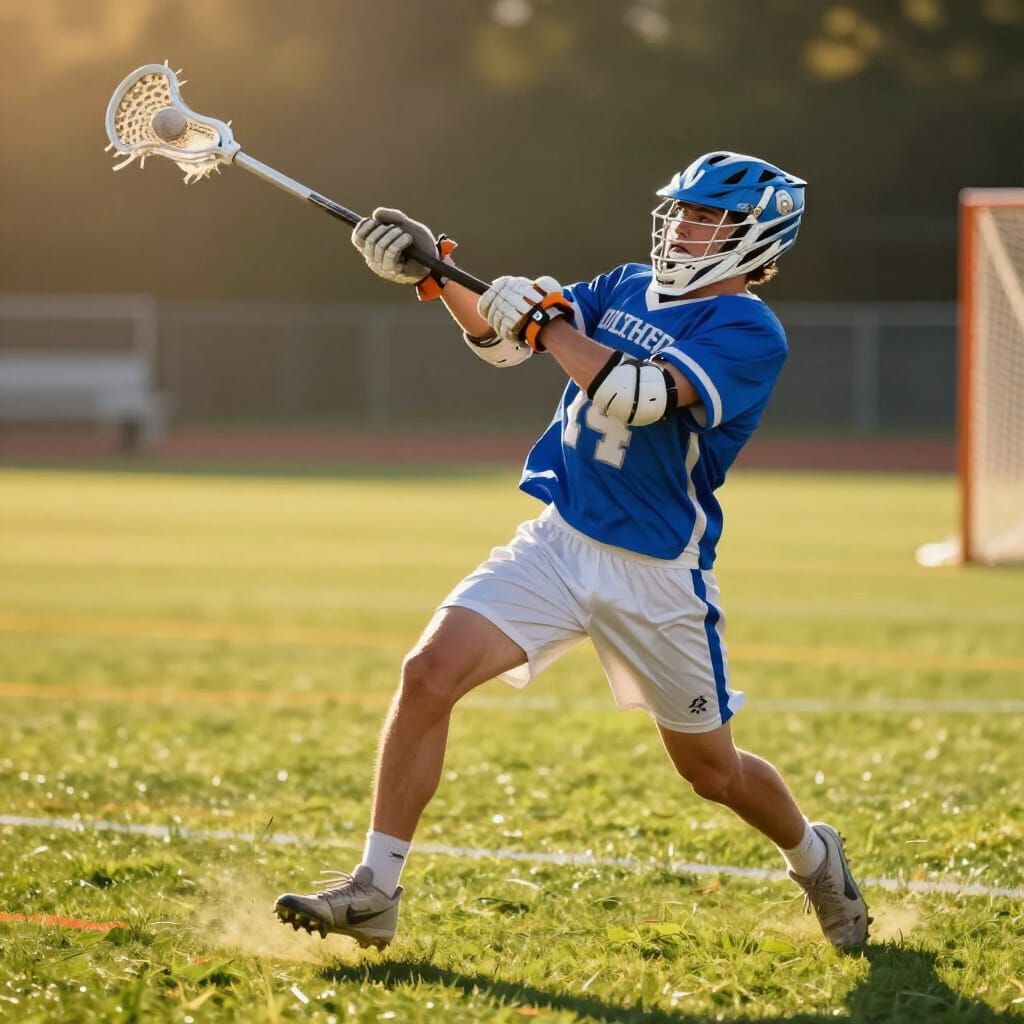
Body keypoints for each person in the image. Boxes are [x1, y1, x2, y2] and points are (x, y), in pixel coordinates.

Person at [273, 150, 870, 951]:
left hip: (656, 575)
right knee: (427, 675)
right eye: (683, 211)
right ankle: (375, 888)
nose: (685, 227)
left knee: (712, 775)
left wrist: (545, 321)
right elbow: (502, 342)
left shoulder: (747, 328)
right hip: (558, 541)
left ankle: (813, 856)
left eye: (707, 218)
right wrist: (436, 272)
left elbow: (635, 393)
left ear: (755, 239)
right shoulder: (626, 283)